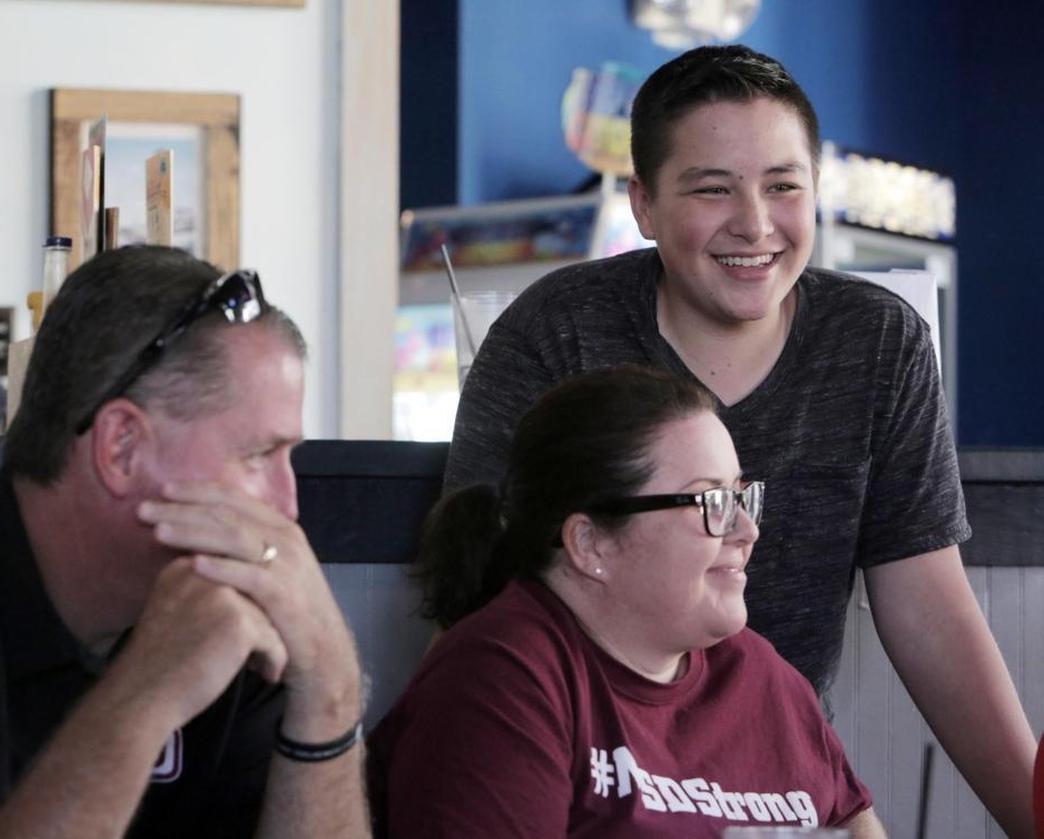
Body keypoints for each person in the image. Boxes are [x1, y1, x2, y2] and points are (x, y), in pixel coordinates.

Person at [442, 44, 1036, 836]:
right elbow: (477, 598)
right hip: (590, 780)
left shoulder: (878, 341)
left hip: (779, 779)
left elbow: (929, 607)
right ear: (644, 205)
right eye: (712, 189)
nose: (754, 224)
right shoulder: (554, 331)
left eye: (783, 186)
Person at [0, 246, 369, 838]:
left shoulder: (231, 601)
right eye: (257, 455)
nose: (287, 507)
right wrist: (148, 691)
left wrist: (330, 685)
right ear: (121, 446)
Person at [370, 366, 885, 838]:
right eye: (712, 502)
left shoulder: (761, 675)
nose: (746, 531)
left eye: (741, 497)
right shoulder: (500, 678)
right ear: (591, 544)